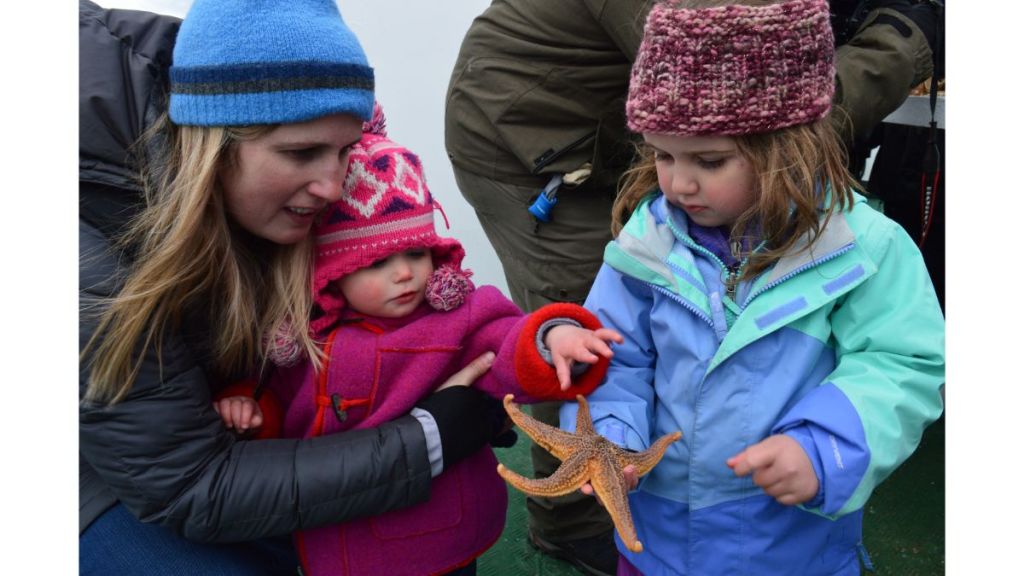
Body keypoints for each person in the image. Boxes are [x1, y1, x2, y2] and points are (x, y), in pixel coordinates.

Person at [443, 1, 938, 573]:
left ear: (788, 147)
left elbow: (903, 363)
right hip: (661, 545)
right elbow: (618, 358)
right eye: (661, 154)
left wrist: (825, 446)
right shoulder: (647, 241)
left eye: (708, 159)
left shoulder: (862, 249)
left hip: (791, 549)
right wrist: (615, 439)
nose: (677, 183)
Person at [79, 1, 510, 574]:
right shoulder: (75, 243)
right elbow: (185, 484)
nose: (335, 186)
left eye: (344, 150)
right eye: (301, 152)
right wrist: (430, 436)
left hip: (214, 430)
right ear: (211, 142)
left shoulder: (243, 99)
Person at [215, 118, 624, 575]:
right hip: (338, 540)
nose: (405, 273)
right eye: (378, 261)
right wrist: (253, 412)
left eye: (415, 253)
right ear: (331, 270)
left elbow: (507, 343)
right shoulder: (301, 340)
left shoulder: (456, 319)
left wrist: (552, 338)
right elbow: (279, 400)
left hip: (439, 536)